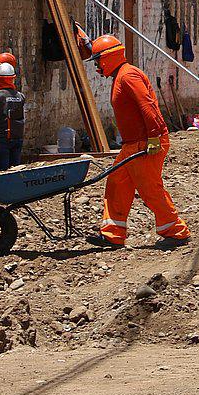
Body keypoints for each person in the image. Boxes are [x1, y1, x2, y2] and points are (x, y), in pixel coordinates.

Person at [81, 35, 190, 249]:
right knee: (117, 183)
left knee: (150, 189)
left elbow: (147, 106)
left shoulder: (128, 76)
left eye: (97, 61)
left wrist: (154, 136)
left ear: (108, 58)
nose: (96, 66)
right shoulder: (120, 75)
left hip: (145, 142)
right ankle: (113, 234)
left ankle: (176, 231)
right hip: (133, 144)